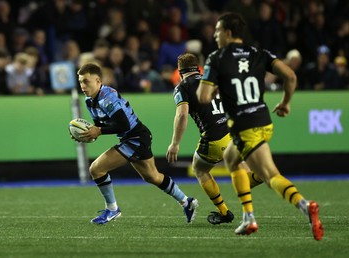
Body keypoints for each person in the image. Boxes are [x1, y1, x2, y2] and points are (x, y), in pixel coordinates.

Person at [196, 12, 324, 241]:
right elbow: (291, 76)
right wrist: (285, 103)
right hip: (264, 120)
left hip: (245, 126)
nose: (215, 35)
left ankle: (304, 205)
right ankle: (248, 217)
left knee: (269, 175)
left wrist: (211, 86)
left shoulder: (216, 57)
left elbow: (203, 97)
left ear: (227, 32)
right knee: (232, 159)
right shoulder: (259, 53)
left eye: (217, 31)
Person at [74, 62, 198, 225]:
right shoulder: (90, 100)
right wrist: (91, 134)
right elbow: (101, 126)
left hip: (135, 138)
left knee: (96, 169)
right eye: (81, 81)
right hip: (137, 137)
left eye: (86, 81)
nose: (83, 85)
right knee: (152, 177)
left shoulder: (107, 97)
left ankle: (112, 209)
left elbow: (123, 125)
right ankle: (187, 202)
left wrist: (98, 131)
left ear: (98, 81)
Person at [167, 53, 263, 225]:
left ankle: (224, 212)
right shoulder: (212, 80)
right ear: (198, 67)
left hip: (215, 137)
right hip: (233, 132)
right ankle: (263, 175)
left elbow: (182, 115)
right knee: (243, 174)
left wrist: (175, 144)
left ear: (180, 71)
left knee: (200, 170)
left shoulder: (182, 87)